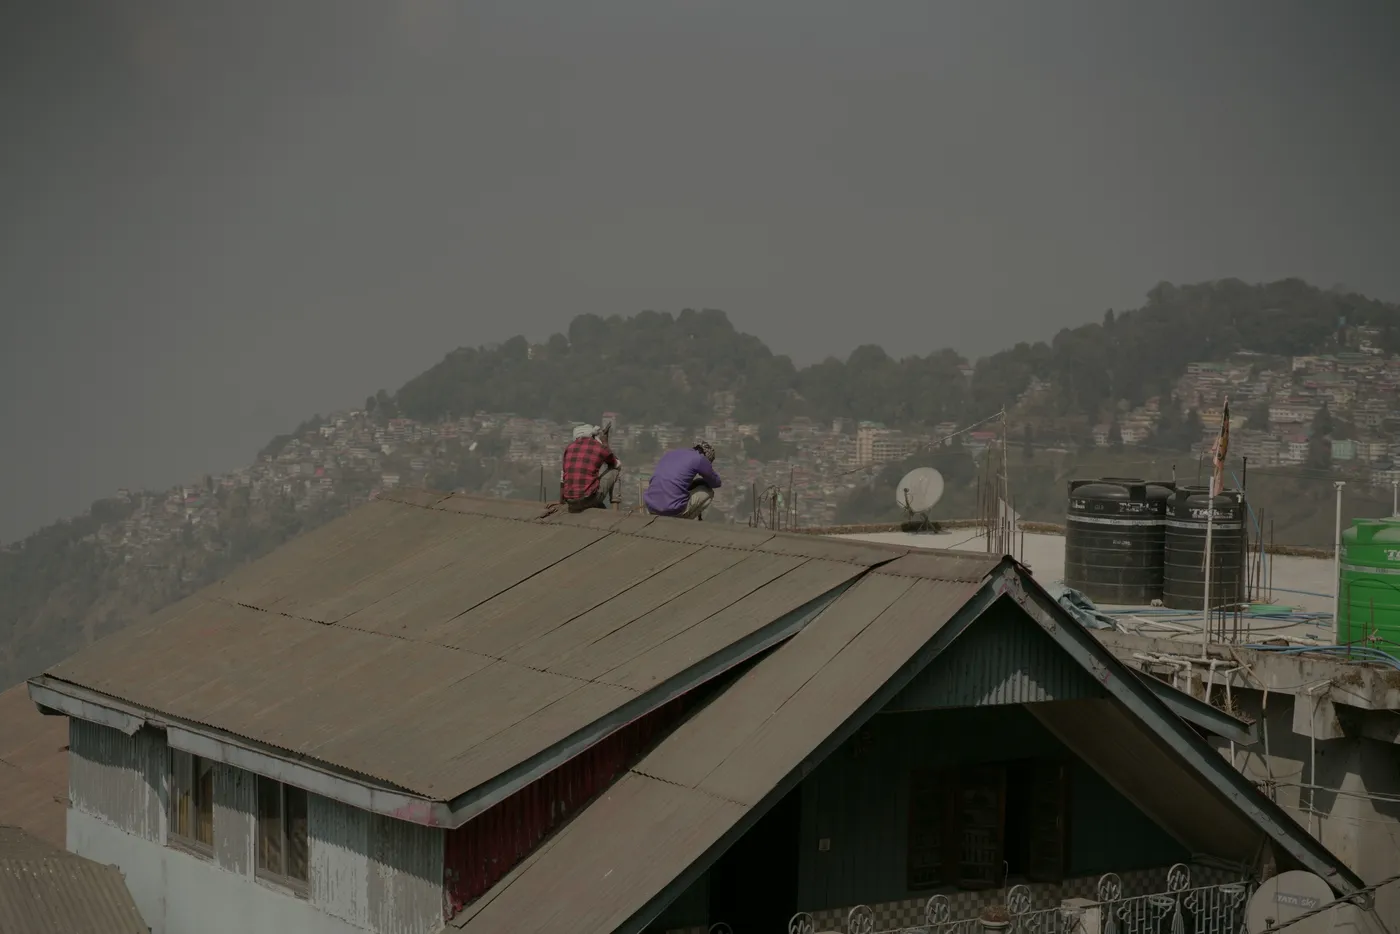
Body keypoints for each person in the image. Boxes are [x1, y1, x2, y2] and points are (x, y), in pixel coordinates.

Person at [644, 440, 722, 520]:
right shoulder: (700, 459)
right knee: (708, 491)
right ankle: (683, 520)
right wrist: (706, 471)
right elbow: (716, 483)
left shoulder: (671, 453)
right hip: (672, 510)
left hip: (651, 506)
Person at [560, 423, 620, 512]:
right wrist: (605, 443)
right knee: (615, 470)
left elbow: (563, 479)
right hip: (588, 499)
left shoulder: (569, 448)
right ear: (592, 436)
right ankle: (615, 510)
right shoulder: (598, 446)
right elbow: (616, 463)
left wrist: (561, 502)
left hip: (571, 502)